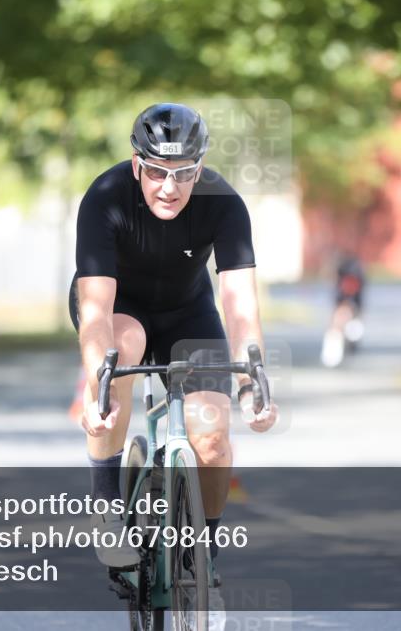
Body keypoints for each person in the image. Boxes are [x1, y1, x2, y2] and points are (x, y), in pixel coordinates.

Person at [70, 103, 279, 622]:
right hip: (120, 309)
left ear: (200, 167)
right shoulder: (104, 197)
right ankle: (106, 504)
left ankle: (203, 559)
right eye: (158, 172)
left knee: (211, 435)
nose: (170, 186)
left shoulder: (224, 203)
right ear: (137, 164)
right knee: (125, 343)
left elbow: (240, 303)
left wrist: (254, 380)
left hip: (189, 311)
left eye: (184, 172)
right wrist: (99, 384)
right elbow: (96, 310)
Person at [321, 252, 367, 367]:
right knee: (338, 323)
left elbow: (354, 299)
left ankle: (347, 341)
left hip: (352, 304)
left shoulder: (353, 278)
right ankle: (334, 350)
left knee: (348, 324)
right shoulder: (339, 282)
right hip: (345, 302)